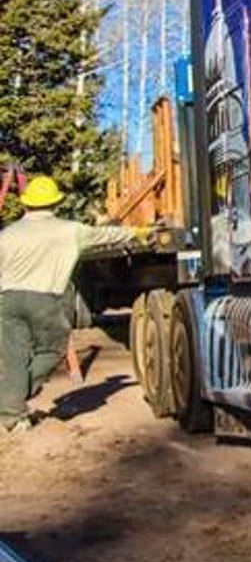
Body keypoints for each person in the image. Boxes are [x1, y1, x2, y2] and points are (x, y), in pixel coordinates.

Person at [0, 175, 144, 433]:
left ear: (26, 204)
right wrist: (138, 232)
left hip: (7, 301)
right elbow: (106, 235)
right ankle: (10, 400)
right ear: (55, 204)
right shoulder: (70, 231)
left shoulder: (7, 234)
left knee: (14, 358)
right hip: (45, 300)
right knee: (52, 350)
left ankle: (11, 412)